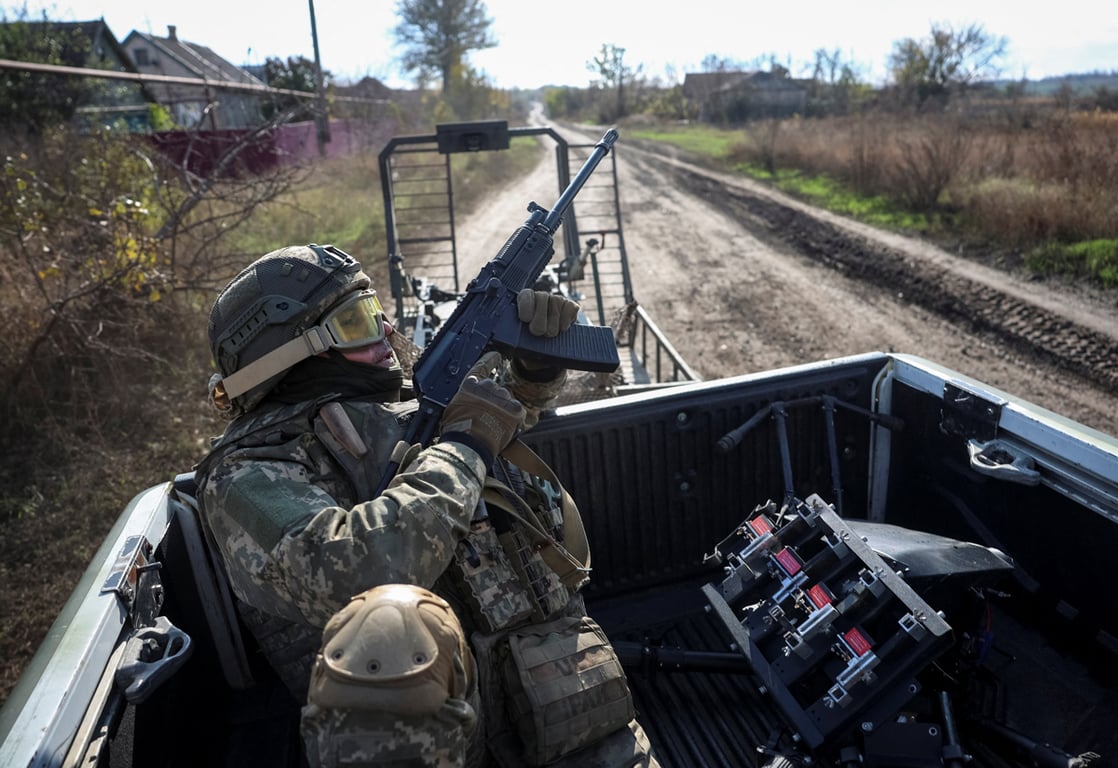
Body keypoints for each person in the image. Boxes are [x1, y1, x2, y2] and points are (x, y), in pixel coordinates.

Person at [195, 243, 659, 768]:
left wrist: (532, 369)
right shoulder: (247, 474)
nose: (387, 334)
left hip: (567, 705)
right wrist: (463, 449)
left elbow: (493, 416)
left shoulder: (387, 406)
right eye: (356, 323)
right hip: (452, 747)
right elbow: (360, 567)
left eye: (378, 313)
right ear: (293, 354)